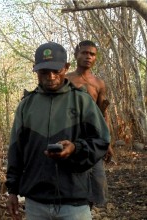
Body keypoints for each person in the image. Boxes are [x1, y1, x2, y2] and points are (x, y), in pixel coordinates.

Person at [6, 42, 110, 220]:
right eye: (44, 72)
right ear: (35, 70)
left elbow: (101, 141)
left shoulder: (82, 101)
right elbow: (16, 150)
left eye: (57, 70)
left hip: (74, 201)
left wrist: (75, 148)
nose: (51, 76)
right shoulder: (26, 105)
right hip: (36, 201)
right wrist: (12, 191)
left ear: (66, 67)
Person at [66, 40, 113, 208]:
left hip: (93, 136)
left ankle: (91, 209)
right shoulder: (66, 79)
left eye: (92, 54)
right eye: (84, 53)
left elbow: (102, 113)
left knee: (97, 178)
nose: (88, 57)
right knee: (73, 177)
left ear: (95, 58)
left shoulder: (99, 83)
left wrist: (107, 142)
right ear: (76, 54)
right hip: (70, 134)